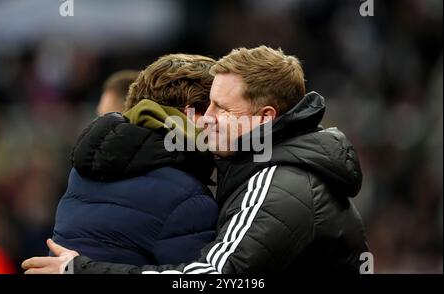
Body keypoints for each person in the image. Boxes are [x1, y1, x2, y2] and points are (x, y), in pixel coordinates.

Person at [22, 46, 368, 274]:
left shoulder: (278, 183)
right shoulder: (258, 169)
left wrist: (79, 269)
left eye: (220, 108)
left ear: (263, 118)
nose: (204, 119)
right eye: (206, 105)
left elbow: (210, 277)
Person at [43, 54, 219, 267]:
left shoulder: (82, 173)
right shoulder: (187, 199)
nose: (222, 119)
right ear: (190, 114)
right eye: (218, 107)